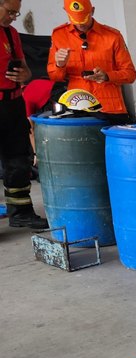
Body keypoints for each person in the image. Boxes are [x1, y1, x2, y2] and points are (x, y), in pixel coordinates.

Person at [47, 0, 136, 123]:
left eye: (84, 18)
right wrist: (59, 65)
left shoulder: (113, 36)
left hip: (109, 108)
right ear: (66, 12)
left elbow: (130, 74)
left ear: (92, 11)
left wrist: (107, 76)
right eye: (75, 19)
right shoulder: (59, 35)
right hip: (76, 108)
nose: (80, 25)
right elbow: (54, 77)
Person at [1, 0, 48, 229]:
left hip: (13, 103)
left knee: (19, 159)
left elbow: (27, 70)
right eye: (10, 12)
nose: (13, 17)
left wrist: (24, 75)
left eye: (16, 12)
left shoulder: (12, 34)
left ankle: (21, 212)